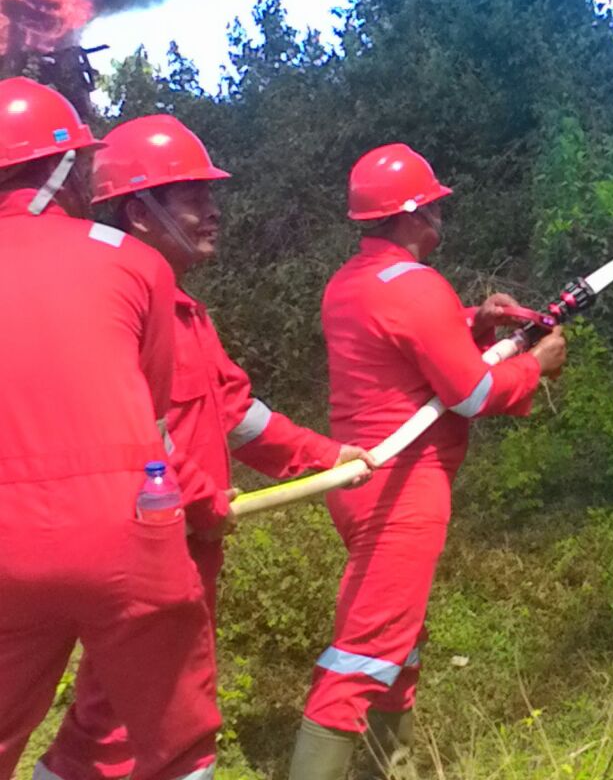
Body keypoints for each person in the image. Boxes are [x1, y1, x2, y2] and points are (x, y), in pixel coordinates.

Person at [37, 114, 375, 780]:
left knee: (107, 725)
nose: (212, 212)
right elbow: (131, 435)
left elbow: (238, 413)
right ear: (139, 211)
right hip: (144, 554)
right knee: (165, 730)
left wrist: (326, 457)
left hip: (185, 552)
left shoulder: (186, 315)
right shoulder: (106, 310)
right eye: (192, 196)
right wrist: (198, 499)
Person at [289, 143, 568, 779]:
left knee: (397, 644)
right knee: (365, 653)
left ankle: (392, 771)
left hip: (358, 479)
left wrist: (476, 320)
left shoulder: (352, 283)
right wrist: (535, 364)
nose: (441, 214)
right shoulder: (418, 287)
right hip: (404, 490)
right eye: (434, 204)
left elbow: (406, 346)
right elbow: (471, 394)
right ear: (412, 214)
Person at [0, 79, 221, 780]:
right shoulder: (135, 263)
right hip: (128, 535)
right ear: (64, 169)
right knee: (175, 744)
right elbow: (150, 414)